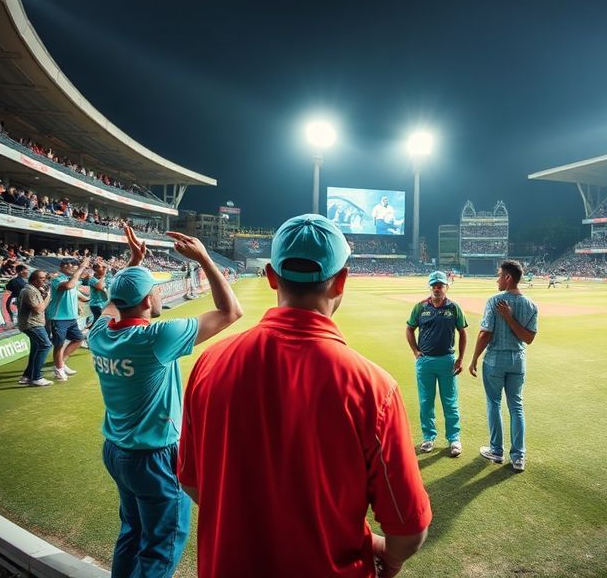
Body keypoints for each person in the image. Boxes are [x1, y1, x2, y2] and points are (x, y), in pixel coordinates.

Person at [178, 214, 431, 578]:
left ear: (270, 275)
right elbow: (408, 530)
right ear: (341, 280)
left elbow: (191, 481)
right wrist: (388, 559)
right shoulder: (374, 388)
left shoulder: (209, 365)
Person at [89, 226, 241, 578]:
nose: (159, 296)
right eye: (155, 291)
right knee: (161, 546)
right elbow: (230, 312)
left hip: (116, 451)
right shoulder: (157, 338)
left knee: (132, 532)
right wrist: (203, 257)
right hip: (153, 458)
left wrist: (133, 265)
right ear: (147, 301)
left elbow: (116, 302)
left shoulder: (99, 333)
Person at [468, 260, 538, 472]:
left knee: (494, 404)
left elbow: (485, 333)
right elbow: (528, 338)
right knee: (516, 406)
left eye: (499, 275)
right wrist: (511, 320)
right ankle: (518, 457)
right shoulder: (530, 305)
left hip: (496, 360)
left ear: (508, 278)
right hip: (518, 360)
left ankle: (496, 451)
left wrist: (473, 359)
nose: (497, 279)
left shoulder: (495, 301)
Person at [406, 270, 467, 457]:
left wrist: (460, 358)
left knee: (450, 401)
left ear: (446, 286)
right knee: (426, 401)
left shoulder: (454, 308)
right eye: (434, 285)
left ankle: (454, 438)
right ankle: (428, 437)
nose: (437, 288)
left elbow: (462, 333)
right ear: (430, 287)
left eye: (440, 285)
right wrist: (416, 351)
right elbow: (409, 329)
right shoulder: (420, 307)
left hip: (447, 361)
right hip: (425, 362)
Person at [47, 256, 90, 381]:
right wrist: (82, 267)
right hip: (58, 317)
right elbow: (69, 286)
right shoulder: (57, 278)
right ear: (64, 266)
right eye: (74, 265)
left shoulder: (71, 279)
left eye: (77, 265)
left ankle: (61, 364)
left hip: (71, 317)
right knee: (59, 344)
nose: (75, 267)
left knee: (78, 339)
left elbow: (77, 294)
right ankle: (59, 369)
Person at [17, 270, 54, 387]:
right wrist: (47, 296)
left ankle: (27, 376)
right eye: (42, 278)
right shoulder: (28, 291)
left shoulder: (33, 290)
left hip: (34, 323)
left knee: (36, 348)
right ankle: (37, 377)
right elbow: (38, 309)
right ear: (33, 280)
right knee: (45, 345)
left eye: (45, 278)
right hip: (32, 324)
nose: (45, 280)